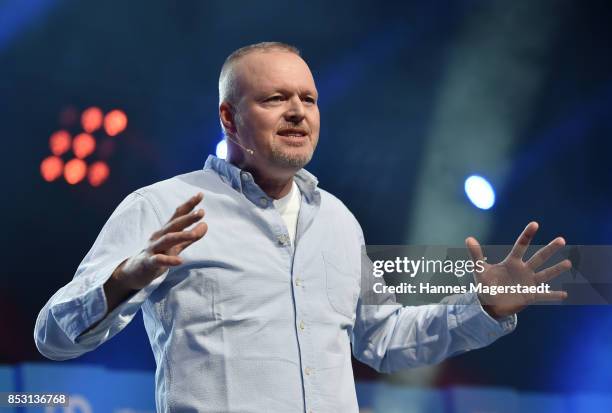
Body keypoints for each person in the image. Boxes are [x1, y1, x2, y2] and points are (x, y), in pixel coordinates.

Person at [35, 42, 570, 413]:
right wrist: (124, 278)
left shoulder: (336, 220)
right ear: (229, 118)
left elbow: (383, 339)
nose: (297, 112)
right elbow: (53, 337)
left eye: (307, 99)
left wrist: (482, 309)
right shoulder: (163, 206)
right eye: (274, 99)